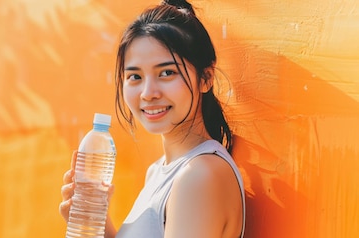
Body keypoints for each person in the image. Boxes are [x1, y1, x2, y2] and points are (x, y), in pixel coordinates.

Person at [59, 0, 246, 237]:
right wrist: (95, 221)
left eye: (167, 73)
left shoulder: (200, 175)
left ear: (206, 78)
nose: (148, 93)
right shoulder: (160, 171)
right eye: (135, 76)